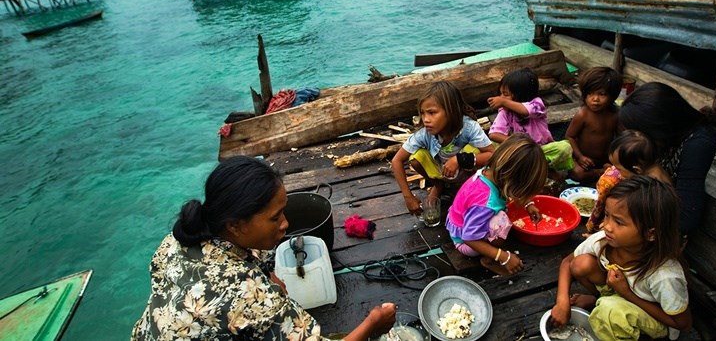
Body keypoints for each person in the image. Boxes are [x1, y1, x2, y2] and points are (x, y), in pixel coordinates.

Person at [131, 156, 396, 341]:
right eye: (275, 218)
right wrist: (373, 323)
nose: (286, 224)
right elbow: (243, 300)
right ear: (235, 225)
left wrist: (266, 273)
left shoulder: (178, 239)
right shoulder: (249, 297)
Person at [550, 176, 692, 340]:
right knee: (581, 263)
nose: (607, 226)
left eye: (619, 222)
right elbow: (568, 262)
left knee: (609, 311)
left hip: (653, 318)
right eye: (607, 215)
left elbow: (683, 323)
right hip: (616, 296)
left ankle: (608, 309)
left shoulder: (664, 275)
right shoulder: (604, 240)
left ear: (650, 234)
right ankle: (599, 299)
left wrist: (626, 293)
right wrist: (562, 302)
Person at [619, 82, 716, 234]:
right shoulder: (675, 136)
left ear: (658, 129)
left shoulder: (697, 146)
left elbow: (686, 219)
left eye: (642, 135)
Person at [445, 133, 547, 276]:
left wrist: (528, 204)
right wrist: (503, 256)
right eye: (523, 191)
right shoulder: (485, 203)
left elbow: (510, 191)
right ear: (512, 181)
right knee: (502, 222)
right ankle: (489, 259)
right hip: (464, 240)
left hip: (461, 218)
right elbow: (469, 238)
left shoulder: (492, 172)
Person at [392, 81, 494, 216]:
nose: (426, 119)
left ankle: (470, 188)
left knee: (475, 150)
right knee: (416, 158)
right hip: (442, 171)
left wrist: (460, 159)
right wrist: (408, 196)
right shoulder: (424, 133)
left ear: (451, 111)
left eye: (432, 113)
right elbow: (396, 161)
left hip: (467, 171)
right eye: (423, 113)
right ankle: (439, 186)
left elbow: (493, 154)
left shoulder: (469, 128)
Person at [487, 67, 574, 178]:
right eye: (501, 94)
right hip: (522, 152)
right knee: (498, 152)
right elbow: (494, 134)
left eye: (506, 94)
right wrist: (519, 144)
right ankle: (536, 169)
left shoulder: (537, 104)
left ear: (521, 94)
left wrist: (504, 101)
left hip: (542, 149)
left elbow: (526, 110)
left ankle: (544, 168)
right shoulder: (505, 112)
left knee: (564, 147)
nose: (501, 97)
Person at [585, 129, 671, 234]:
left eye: (619, 169)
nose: (616, 171)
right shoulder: (649, 166)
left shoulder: (651, 189)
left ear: (637, 170)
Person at [566, 66, 622, 184]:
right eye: (590, 93)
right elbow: (570, 136)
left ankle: (604, 170)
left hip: (606, 158)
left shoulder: (615, 114)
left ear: (613, 96)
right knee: (576, 173)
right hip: (584, 159)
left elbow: (622, 138)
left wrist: (615, 160)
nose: (595, 99)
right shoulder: (583, 114)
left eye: (602, 94)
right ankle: (601, 172)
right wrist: (580, 157)